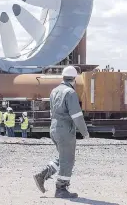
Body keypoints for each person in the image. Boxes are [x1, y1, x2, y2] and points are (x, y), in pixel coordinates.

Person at [33, 66, 89, 199]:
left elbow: (52, 111)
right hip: (65, 129)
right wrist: (85, 132)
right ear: (74, 79)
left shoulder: (54, 91)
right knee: (68, 159)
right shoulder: (70, 92)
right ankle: (61, 188)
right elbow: (76, 115)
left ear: (63, 77)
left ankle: (43, 174)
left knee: (63, 155)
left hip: (54, 127)